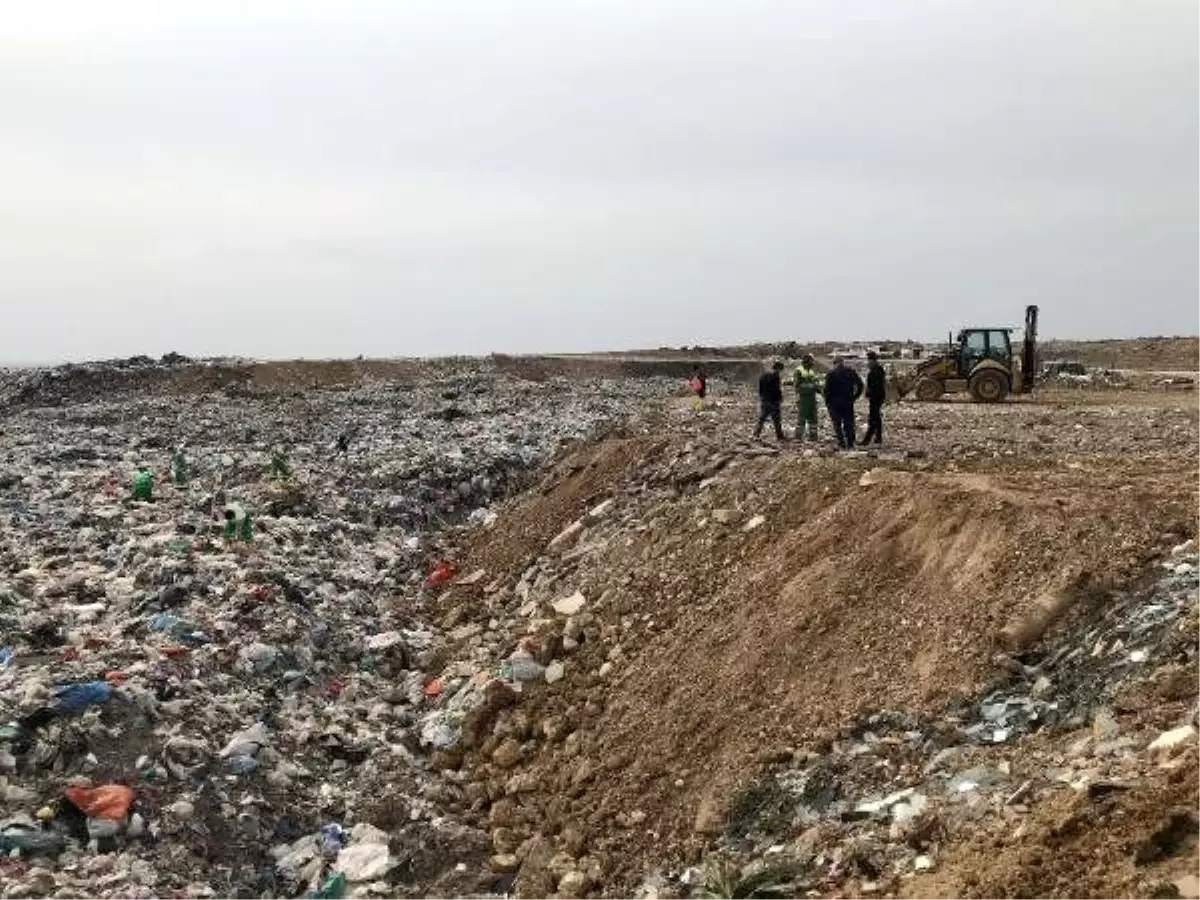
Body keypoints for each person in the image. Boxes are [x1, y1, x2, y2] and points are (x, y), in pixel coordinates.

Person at [824, 356, 864, 449]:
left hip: (834, 402)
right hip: (848, 401)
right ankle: (850, 443)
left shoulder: (831, 373)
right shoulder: (851, 371)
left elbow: (826, 390)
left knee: (837, 423)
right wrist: (855, 397)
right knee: (849, 423)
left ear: (834, 363)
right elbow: (860, 385)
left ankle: (841, 443)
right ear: (842, 362)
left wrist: (827, 401)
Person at [754, 360, 787, 441]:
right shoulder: (776, 376)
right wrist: (779, 398)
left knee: (762, 419)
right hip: (773, 402)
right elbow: (776, 390)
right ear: (778, 368)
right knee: (776, 420)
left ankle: (756, 434)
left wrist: (762, 397)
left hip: (765, 401)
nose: (781, 371)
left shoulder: (763, 376)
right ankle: (780, 436)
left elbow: (760, 389)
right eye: (781, 369)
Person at [861, 351, 887, 446]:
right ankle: (878, 438)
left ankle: (867, 440)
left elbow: (875, 386)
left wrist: (868, 393)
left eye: (868, 360)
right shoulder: (878, 369)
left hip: (876, 397)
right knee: (877, 417)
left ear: (872, 360)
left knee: (873, 418)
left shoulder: (876, 370)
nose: (867, 362)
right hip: (878, 396)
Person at [794, 354, 822, 441]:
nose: (812, 363)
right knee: (802, 417)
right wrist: (812, 387)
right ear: (806, 361)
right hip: (804, 398)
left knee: (813, 417)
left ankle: (813, 437)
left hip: (812, 398)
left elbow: (815, 384)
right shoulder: (799, 371)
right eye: (811, 361)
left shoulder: (811, 371)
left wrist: (821, 391)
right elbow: (797, 386)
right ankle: (798, 437)